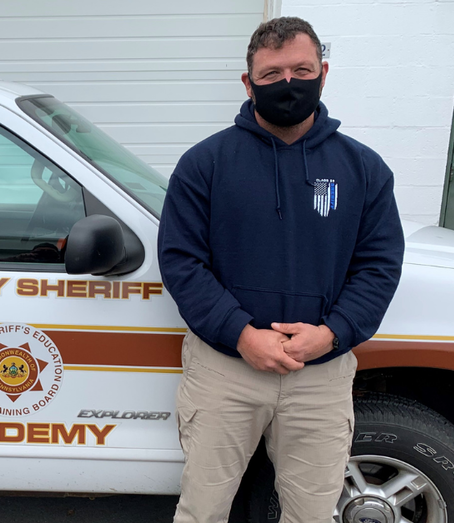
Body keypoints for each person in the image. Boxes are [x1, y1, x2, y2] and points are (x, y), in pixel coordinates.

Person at [157, 17, 404, 523]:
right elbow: (182, 261)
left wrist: (332, 334)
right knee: (202, 510)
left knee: (311, 514)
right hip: (226, 369)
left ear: (323, 73)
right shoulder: (205, 164)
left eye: (301, 69)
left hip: (321, 374)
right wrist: (241, 334)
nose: (288, 84)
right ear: (248, 84)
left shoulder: (364, 169)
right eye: (271, 75)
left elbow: (378, 266)